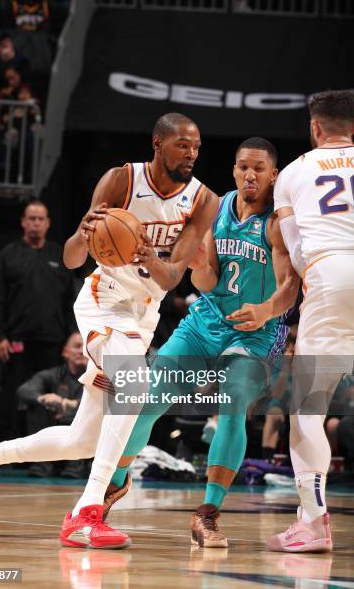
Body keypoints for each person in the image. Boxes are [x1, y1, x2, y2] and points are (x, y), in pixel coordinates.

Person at [0, 112, 220, 548]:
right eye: (183, 145)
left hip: (142, 316)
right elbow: (74, 258)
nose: (191, 154)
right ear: (158, 143)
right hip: (103, 300)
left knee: (84, 439)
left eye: (196, 147)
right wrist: (88, 231)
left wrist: (146, 253)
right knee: (133, 386)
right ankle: (86, 512)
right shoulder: (120, 181)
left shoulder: (205, 200)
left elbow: (170, 279)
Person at [102, 137, 300, 548]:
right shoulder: (218, 207)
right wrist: (198, 265)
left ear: (273, 174)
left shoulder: (278, 221)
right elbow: (206, 278)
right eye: (244, 166)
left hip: (257, 332)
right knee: (146, 401)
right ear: (233, 169)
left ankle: (207, 515)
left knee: (232, 405)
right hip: (206, 321)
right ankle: (113, 485)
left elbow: (289, 289)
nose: (251, 174)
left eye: (260, 168)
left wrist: (265, 310)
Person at [266, 89, 354, 553]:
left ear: (315, 127)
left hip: (332, 273)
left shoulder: (295, 172)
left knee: (307, 408)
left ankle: (313, 523)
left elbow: (295, 250)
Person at [0, 199, 75, 439]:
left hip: (53, 341)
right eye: (31, 218)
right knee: (11, 396)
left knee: (50, 398)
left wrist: (72, 336)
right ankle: (7, 449)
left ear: (47, 223)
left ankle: (46, 455)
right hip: (16, 342)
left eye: (40, 219)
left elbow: (70, 301)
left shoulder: (59, 254)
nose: (36, 223)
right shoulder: (9, 254)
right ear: (23, 222)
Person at [17, 331, 88, 478]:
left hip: (80, 436)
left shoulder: (98, 377)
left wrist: (69, 404)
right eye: (77, 346)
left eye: (85, 347)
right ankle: (41, 463)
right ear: (65, 352)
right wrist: (43, 398)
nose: (82, 351)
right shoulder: (52, 375)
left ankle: (76, 465)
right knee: (37, 406)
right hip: (54, 429)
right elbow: (24, 390)